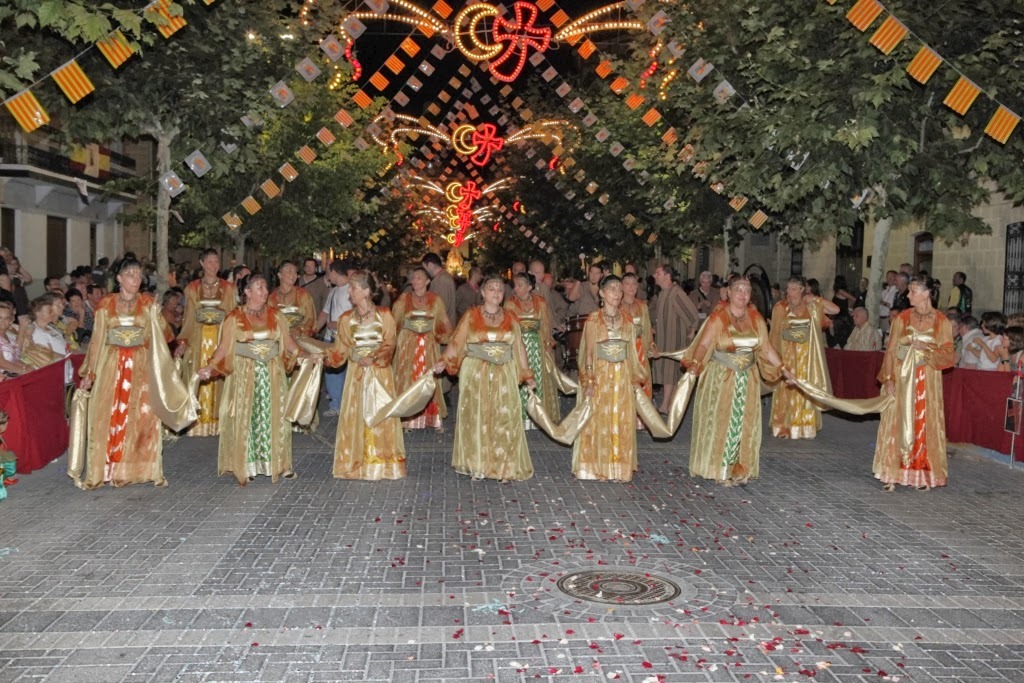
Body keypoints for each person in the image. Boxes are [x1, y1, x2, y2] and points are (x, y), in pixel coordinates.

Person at [74, 259, 192, 488]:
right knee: (109, 415)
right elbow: (97, 340)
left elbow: (165, 335)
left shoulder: (147, 303)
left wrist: (156, 317)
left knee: (142, 416)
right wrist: (90, 372)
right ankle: (108, 468)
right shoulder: (106, 304)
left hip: (140, 364)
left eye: (138, 275)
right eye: (130, 274)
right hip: (112, 364)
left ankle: (138, 468)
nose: (135, 279)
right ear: (119, 278)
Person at [683, 275, 791, 486]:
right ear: (729, 293)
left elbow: (766, 348)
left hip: (747, 378)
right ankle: (719, 467)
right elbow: (703, 345)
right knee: (721, 421)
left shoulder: (756, 319)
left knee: (744, 422)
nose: (743, 294)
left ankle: (740, 467)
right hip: (722, 378)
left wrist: (784, 369)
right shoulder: (718, 318)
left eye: (747, 290)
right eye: (739, 290)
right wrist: (696, 363)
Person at [197, 274, 302, 485]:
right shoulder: (234, 318)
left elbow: (288, 342)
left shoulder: (276, 315)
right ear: (247, 292)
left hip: (272, 373)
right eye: (259, 287)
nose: (265, 291)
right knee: (248, 417)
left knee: (275, 416)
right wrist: (210, 365)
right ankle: (248, 465)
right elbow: (224, 347)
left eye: (265, 287)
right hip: (245, 373)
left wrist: (305, 355)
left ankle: (280, 464)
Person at [433, 274, 535, 481]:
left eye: (500, 289)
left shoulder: (511, 317)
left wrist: (526, 374)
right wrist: (444, 361)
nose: (496, 293)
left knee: (504, 418)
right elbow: (457, 342)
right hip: (476, 373)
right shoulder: (471, 315)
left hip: (504, 373)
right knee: (477, 417)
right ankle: (477, 464)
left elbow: (518, 348)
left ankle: (504, 466)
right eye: (491, 289)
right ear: (482, 292)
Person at [324, 271, 406, 479]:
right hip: (356, 376)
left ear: (366, 291)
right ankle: (357, 463)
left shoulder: (384, 315)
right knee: (357, 415)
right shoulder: (345, 319)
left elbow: (390, 343)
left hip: (379, 374)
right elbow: (339, 351)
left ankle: (382, 464)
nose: (349, 292)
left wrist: (374, 358)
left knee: (380, 415)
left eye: (353, 288)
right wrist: (320, 358)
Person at [874, 277, 954, 491]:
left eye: (913, 291)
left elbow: (948, 355)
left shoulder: (942, 321)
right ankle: (892, 472)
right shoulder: (902, 317)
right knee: (897, 422)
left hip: (927, 380)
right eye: (908, 291)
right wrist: (889, 379)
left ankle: (922, 474)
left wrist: (927, 348)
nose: (908, 295)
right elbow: (891, 350)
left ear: (926, 294)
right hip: (901, 378)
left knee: (924, 423)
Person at [572, 275, 647, 481]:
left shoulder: (627, 320)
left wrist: (635, 378)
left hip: (622, 375)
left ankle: (618, 467)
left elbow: (632, 353)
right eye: (612, 289)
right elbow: (588, 353)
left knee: (621, 419)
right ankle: (597, 466)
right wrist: (589, 380)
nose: (617, 293)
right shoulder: (594, 320)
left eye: (619, 289)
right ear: (602, 293)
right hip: (601, 374)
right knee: (599, 418)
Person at [175, 248, 237, 436]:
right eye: (209, 261)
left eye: (216, 261)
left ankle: (220, 421)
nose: (213, 265)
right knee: (196, 373)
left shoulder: (229, 288)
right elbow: (188, 317)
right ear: (202, 263)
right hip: (198, 337)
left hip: (220, 338)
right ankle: (196, 420)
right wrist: (183, 341)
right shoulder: (192, 288)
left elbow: (232, 316)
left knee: (219, 373)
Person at [769, 277, 839, 439]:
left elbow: (835, 310)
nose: (790, 292)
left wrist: (815, 298)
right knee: (787, 389)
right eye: (788, 288)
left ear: (802, 290)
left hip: (806, 356)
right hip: (787, 355)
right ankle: (785, 425)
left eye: (794, 289)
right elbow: (775, 334)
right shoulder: (781, 307)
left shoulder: (811, 306)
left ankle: (804, 426)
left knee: (804, 390)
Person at [391, 267, 451, 431]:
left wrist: (451, 341)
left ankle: (431, 418)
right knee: (407, 378)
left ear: (427, 281)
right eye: (413, 277)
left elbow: (444, 321)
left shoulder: (435, 300)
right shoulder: (404, 299)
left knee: (428, 379)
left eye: (419, 277)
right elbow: (393, 322)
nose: (415, 280)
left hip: (428, 345)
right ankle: (406, 418)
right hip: (407, 346)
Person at [505, 272, 559, 430]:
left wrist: (547, 346)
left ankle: (538, 417)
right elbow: (507, 328)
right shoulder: (510, 304)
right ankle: (520, 416)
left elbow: (546, 326)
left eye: (520, 285)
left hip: (537, 346)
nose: (516, 288)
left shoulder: (540, 302)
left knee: (537, 379)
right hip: (518, 347)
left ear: (529, 287)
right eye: (515, 285)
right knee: (520, 379)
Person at [650, 264, 700, 414]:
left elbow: (692, 314)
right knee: (668, 373)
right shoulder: (663, 293)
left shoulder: (676, 293)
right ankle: (669, 404)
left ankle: (666, 406)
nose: (654, 276)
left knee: (671, 373)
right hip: (664, 339)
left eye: (658, 273)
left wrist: (691, 332)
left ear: (667, 276)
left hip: (674, 341)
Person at [315, 259, 352, 417]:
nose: (327, 275)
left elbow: (358, 315)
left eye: (328, 272)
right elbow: (325, 313)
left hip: (346, 339)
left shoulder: (352, 290)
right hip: (330, 338)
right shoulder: (334, 291)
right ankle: (336, 403)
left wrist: (338, 323)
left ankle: (344, 404)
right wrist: (314, 329)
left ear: (334, 272)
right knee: (331, 371)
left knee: (344, 372)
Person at [621, 272, 657, 414]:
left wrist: (651, 347)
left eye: (634, 283)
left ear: (637, 286)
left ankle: (642, 417)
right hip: (624, 351)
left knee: (642, 383)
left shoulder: (642, 306)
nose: (631, 287)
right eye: (627, 283)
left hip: (640, 350)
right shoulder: (617, 306)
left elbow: (647, 330)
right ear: (622, 286)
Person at [22, 294, 72, 382]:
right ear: (37, 313)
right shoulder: (36, 332)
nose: (53, 313)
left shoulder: (50, 327)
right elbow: (48, 354)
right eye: (49, 311)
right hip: (57, 368)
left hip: (67, 362)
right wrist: (69, 358)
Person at [269, 260, 317, 339]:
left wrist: (301, 329)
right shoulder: (272, 298)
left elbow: (311, 318)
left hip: (299, 339)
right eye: (289, 271)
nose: (293, 274)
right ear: (279, 275)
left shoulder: (302, 294)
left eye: (295, 272)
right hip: (278, 338)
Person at [422, 253, 457, 325]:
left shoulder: (442, 279)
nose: (425, 271)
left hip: (443, 327)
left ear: (430, 265)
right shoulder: (441, 277)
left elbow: (441, 307)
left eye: (425, 267)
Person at [0, 302, 30, 377]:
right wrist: (23, 370)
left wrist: (26, 367)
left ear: (11, 320)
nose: (3, 321)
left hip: (12, 375)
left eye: (7, 318)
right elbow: (1, 363)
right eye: (0, 317)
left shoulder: (7, 337)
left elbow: (16, 355)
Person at [828, 276, 857, 348]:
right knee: (841, 338)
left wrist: (850, 308)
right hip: (840, 317)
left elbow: (853, 299)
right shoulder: (840, 291)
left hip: (842, 318)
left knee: (842, 338)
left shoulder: (840, 291)